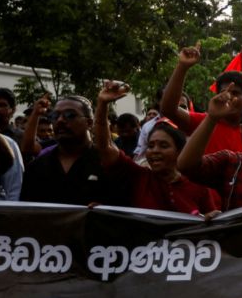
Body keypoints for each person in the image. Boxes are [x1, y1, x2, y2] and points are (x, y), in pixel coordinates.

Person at [94, 80, 220, 215]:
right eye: (151, 145)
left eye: (164, 145)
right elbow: (105, 146)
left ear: (179, 151)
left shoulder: (199, 188)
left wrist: (213, 217)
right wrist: (102, 104)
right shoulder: (139, 177)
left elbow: (212, 226)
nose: (155, 151)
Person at [21, 95, 129, 205]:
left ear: (89, 123)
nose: (60, 120)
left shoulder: (107, 164)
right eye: (55, 115)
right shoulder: (37, 166)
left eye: (70, 115)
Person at [161, 44, 242, 155]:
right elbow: (168, 110)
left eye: (235, 93)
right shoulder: (203, 123)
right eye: (223, 93)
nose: (228, 97)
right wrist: (182, 67)